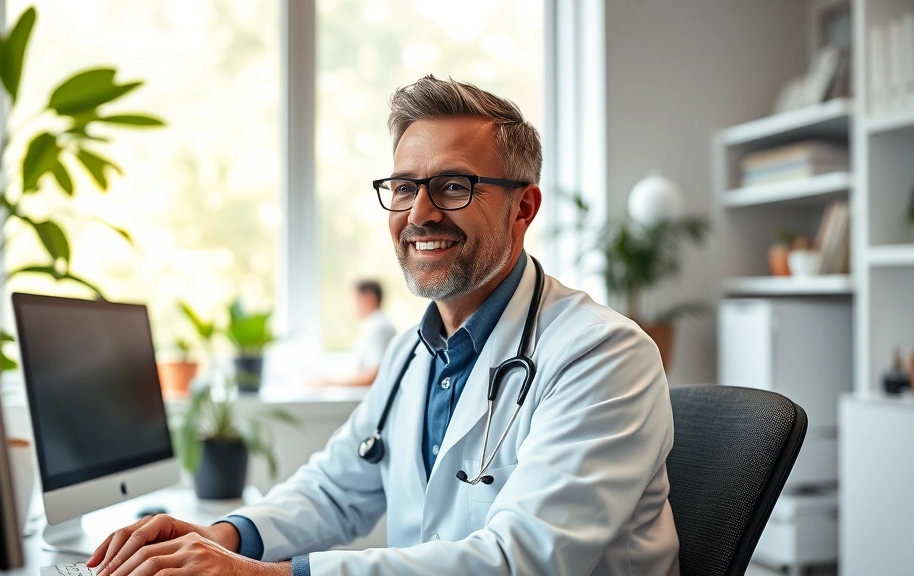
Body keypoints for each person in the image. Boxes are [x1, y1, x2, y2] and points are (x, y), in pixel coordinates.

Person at [88, 75, 679, 576]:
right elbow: (336, 489)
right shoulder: (413, 353)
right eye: (403, 187)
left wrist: (267, 574)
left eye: (453, 186)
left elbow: (521, 559)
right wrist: (223, 537)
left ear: (522, 208)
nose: (419, 214)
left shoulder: (603, 355)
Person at [316, 280, 397, 387]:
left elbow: (374, 374)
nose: (351, 306)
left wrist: (332, 383)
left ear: (369, 298)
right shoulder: (374, 323)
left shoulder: (378, 328)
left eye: (355, 299)